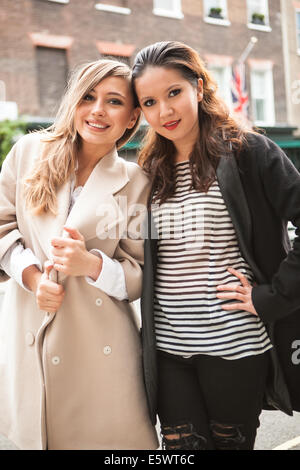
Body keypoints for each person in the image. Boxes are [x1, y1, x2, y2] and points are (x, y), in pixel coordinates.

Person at [132, 41, 300, 450]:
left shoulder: (248, 152)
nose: (165, 112)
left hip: (234, 347)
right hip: (168, 351)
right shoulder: (147, 171)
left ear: (200, 88)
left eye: (174, 93)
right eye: (150, 102)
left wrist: (272, 297)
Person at [0, 58, 158, 450]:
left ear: (132, 116)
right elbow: (2, 229)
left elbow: (141, 272)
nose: (98, 110)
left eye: (113, 101)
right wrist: (33, 278)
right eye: (88, 97)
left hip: (102, 347)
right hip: (28, 331)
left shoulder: (139, 182)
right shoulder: (27, 152)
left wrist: (91, 264)